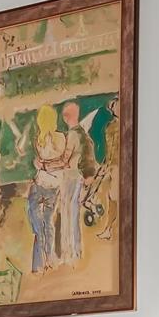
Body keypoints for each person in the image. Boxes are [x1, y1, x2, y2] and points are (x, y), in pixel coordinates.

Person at [57, 101, 100, 266]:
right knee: (73, 212)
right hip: (79, 178)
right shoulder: (83, 133)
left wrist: (45, 162)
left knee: (67, 214)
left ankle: (69, 253)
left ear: (65, 118)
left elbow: (64, 160)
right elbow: (88, 152)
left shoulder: (72, 135)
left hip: (70, 177)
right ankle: (76, 251)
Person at [27, 105, 65, 274]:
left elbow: (39, 163)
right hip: (54, 186)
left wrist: (41, 165)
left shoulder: (38, 140)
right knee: (49, 223)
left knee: (38, 225)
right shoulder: (61, 138)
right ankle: (49, 259)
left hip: (39, 185)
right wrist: (46, 165)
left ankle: (40, 262)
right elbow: (62, 162)